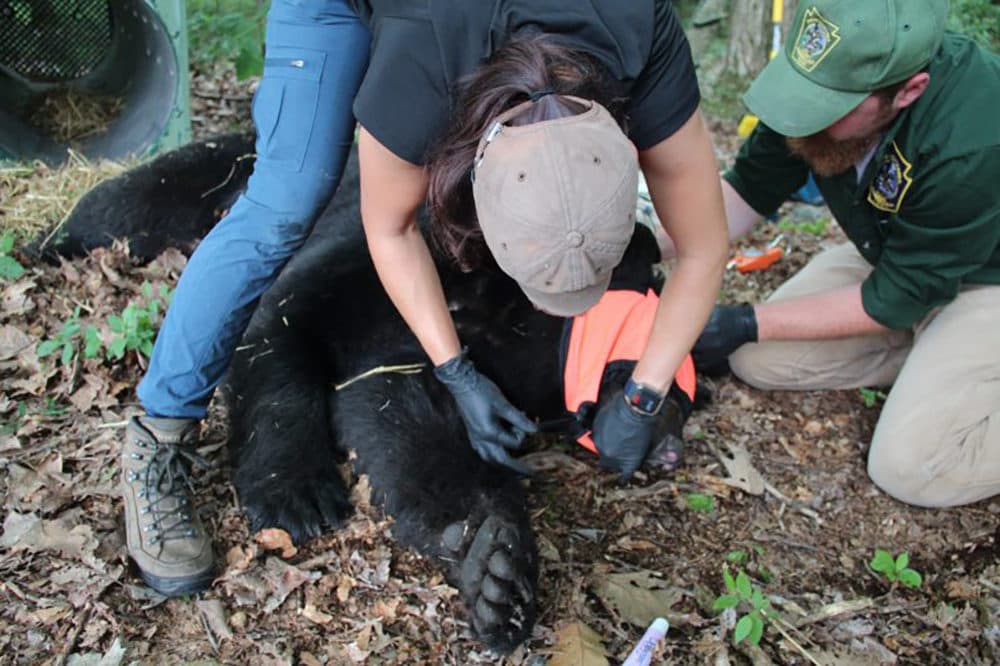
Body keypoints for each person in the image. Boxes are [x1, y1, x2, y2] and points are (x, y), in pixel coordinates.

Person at [121, 0, 728, 597]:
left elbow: (703, 248)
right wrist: (455, 370)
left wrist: (647, 394)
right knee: (289, 197)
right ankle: (159, 431)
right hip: (379, 11)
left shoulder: (641, 30)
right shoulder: (420, 63)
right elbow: (391, 228)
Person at [687, 0, 1000, 508]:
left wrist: (744, 319)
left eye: (828, 105)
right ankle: (937, 360)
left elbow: (901, 293)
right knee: (757, 359)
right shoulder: (814, 93)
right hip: (899, 256)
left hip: (986, 280)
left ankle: (957, 368)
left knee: (913, 467)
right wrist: (650, 241)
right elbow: (749, 189)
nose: (804, 116)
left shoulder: (974, 136)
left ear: (908, 91)